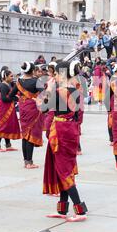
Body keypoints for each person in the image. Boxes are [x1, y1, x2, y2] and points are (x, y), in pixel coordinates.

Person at [43, 61, 88, 222]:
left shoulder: (60, 91)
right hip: (70, 130)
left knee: (64, 170)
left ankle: (80, 211)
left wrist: (48, 90)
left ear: (62, 74)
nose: (53, 76)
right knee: (63, 169)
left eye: (55, 73)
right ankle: (62, 209)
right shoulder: (76, 90)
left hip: (61, 132)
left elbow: (42, 107)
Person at [13, 62, 44, 169]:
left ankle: (26, 161)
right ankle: (30, 162)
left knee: (25, 134)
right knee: (30, 134)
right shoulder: (36, 81)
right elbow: (46, 94)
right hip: (32, 108)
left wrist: (21, 99)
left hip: (22, 108)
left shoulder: (19, 81)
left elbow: (11, 95)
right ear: (33, 71)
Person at [0, 69, 21, 152]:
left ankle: (8, 145)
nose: (12, 77)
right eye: (11, 76)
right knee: (3, 126)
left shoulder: (7, 84)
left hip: (8, 106)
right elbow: (4, 98)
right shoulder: (3, 85)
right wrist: (15, 98)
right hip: (4, 107)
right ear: (5, 76)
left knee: (7, 125)